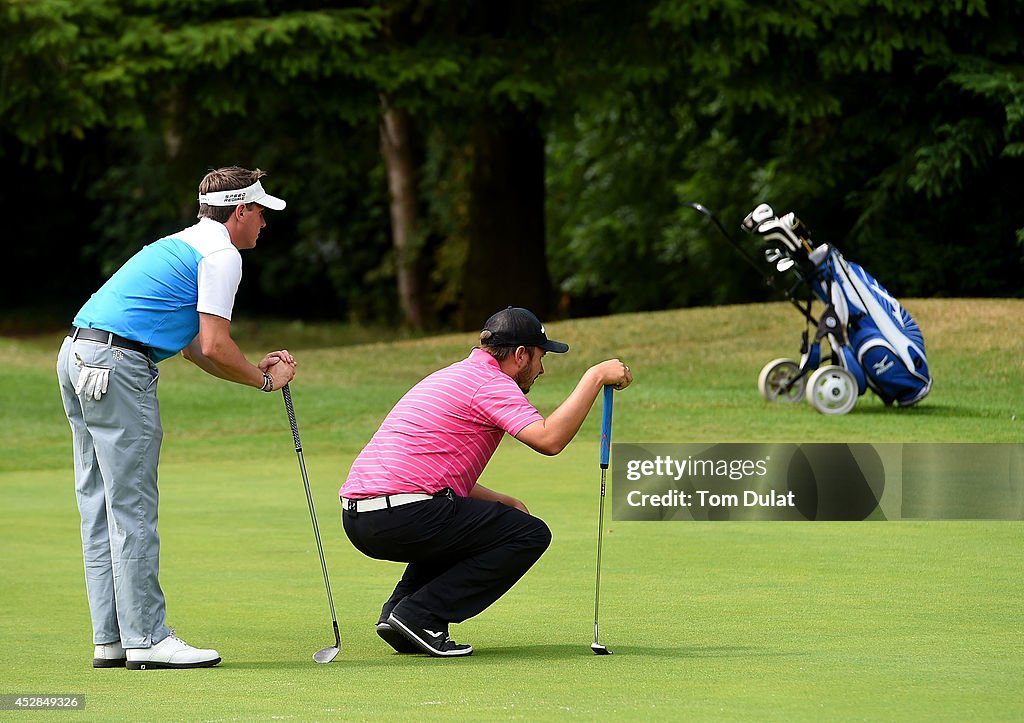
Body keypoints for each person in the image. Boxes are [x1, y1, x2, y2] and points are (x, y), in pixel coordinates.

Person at [56, 166, 297, 670]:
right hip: (119, 368)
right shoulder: (221, 255)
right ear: (240, 212)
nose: (264, 224)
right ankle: (147, 637)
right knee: (134, 508)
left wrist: (254, 371)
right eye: (260, 213)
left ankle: (113, 639)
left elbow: (194, 348)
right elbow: (213, 344)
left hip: (77, 355)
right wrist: (266, 380)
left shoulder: (183, 243)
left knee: (100, 505)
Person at [339, 306, 632, 657]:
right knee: (529, 533)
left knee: (472, 523)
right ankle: (421, 614)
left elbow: (433, 473)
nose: (542, 369)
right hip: (405, 513)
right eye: (540, 357)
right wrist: (594, 377)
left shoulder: (453, 375)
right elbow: (549, 439)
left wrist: (500, 501)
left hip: (360, 517)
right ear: (521, 355)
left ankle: (401, 615)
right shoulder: (491, 383)